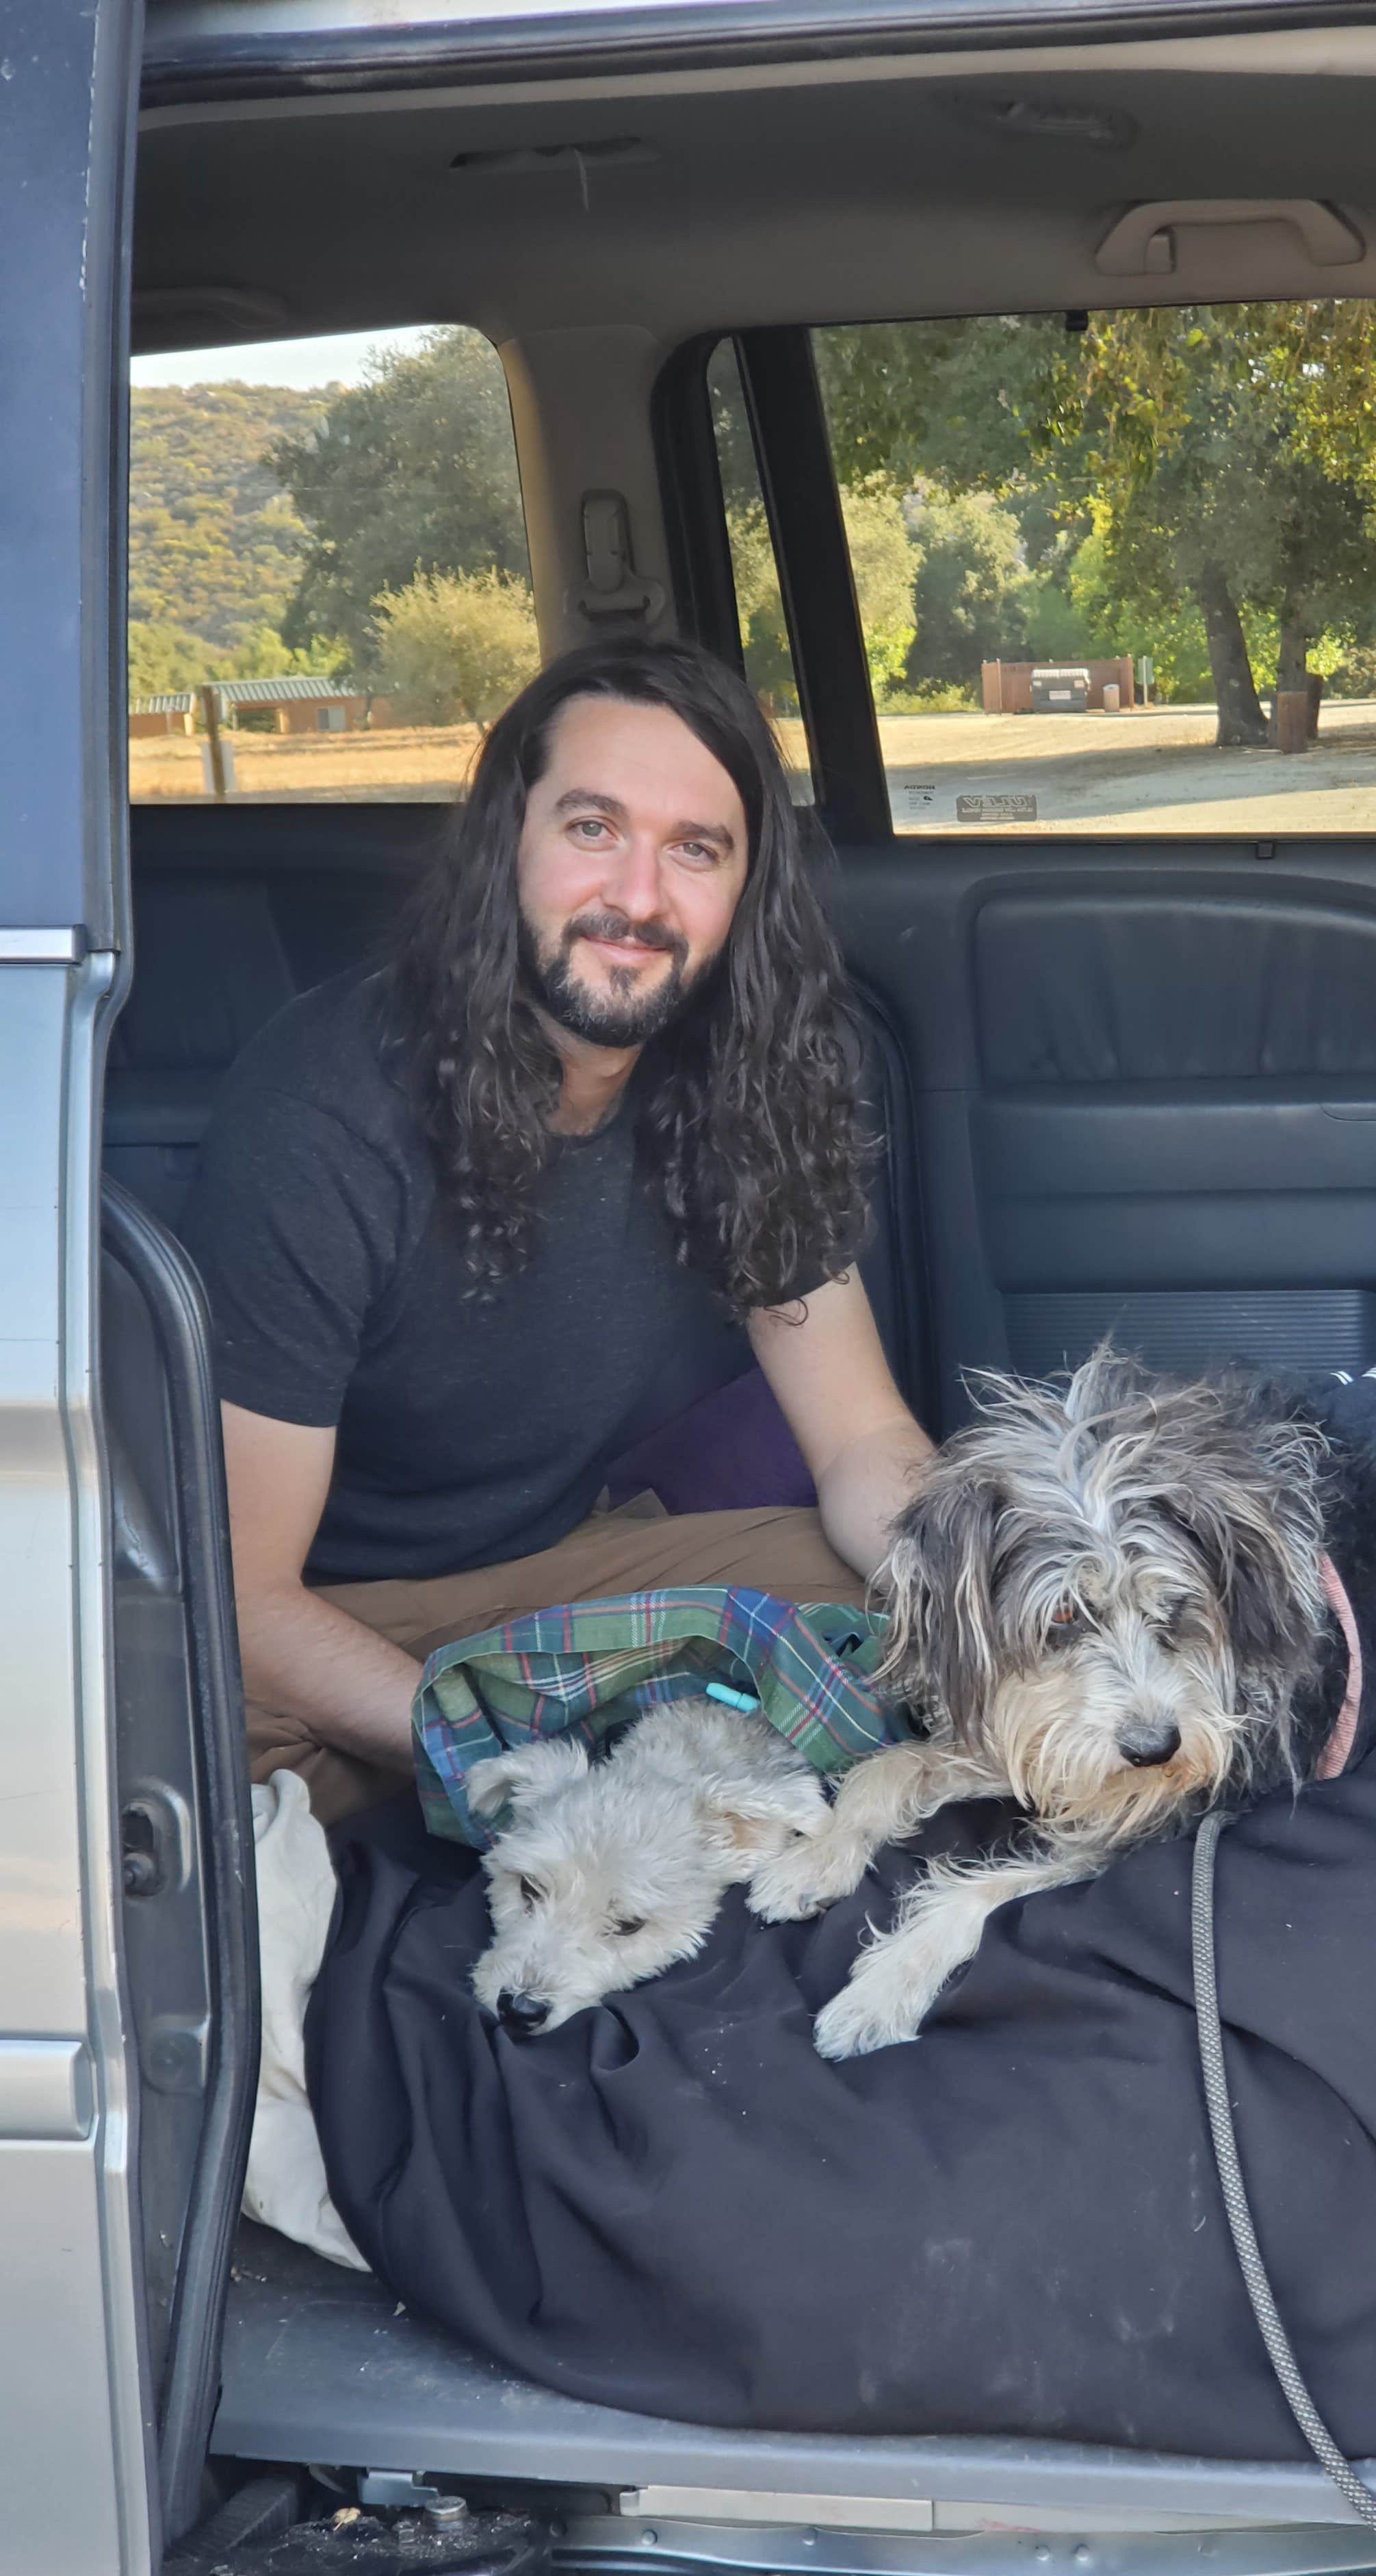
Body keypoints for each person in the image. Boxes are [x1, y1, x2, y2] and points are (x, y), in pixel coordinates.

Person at [181, 639, 932, 1826]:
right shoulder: (323, 1112)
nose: (640, 896)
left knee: (900, 1615)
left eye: (696, 850)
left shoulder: (753, 1083)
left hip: (560, 1575)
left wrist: (985, 1608)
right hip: (324, 1620)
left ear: (746, 893)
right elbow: (239, 1601)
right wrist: (519, 1769)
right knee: (173, 1748)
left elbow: (862, 1441)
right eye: (593, 828)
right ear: (508, 846)